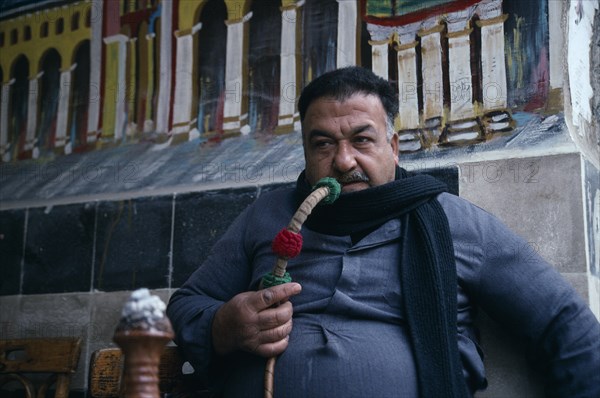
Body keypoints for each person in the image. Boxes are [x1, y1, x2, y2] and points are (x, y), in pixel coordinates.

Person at [167, 66, 600, 398]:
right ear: (305, 152)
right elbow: (186, 305)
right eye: (323, 144)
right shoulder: (268, 215)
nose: (343, 161)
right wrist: (222, 327)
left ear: (392, 148)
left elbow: (564, 323)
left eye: (362, 140)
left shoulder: (455, 222)